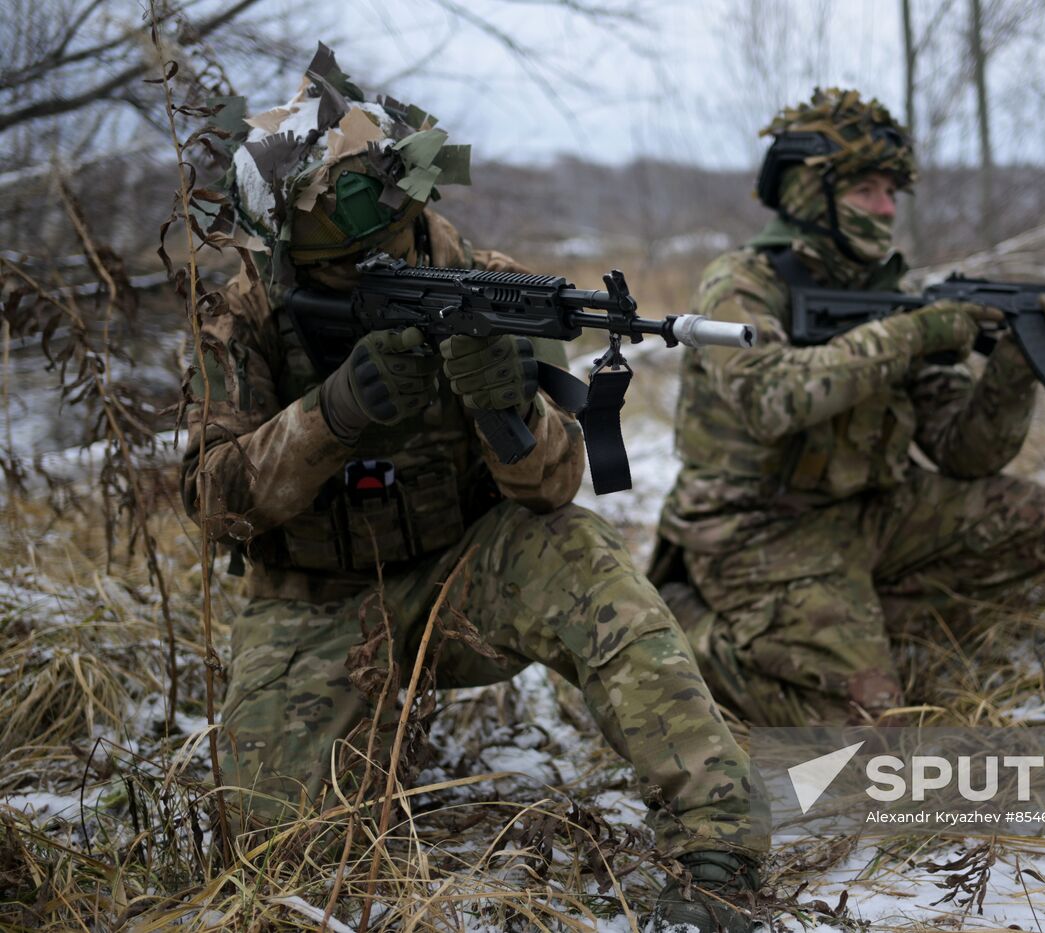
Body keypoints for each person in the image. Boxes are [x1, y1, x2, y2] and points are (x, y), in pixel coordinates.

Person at [181, 46, 764, 933]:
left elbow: (558, 488)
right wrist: (332, 415)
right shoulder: (247, 313)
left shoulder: (489, 286)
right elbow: (211, 501)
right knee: (279, 856)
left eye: (387, 247)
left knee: (588, 558)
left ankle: (718, 848)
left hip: (467, 576)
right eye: (344, 266)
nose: (372, 270)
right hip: (316, 603)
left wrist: (504, 411)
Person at [650, 87, 1045, 727]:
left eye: (893, 193)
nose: (886, 208)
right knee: (862, 722)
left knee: (1031, 520)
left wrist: (1013, 364)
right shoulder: (744, 281)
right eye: (866, 190)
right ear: (812, 193)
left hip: (867, 512)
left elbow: (963, 451)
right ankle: (685, 630)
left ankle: (849, 619)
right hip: (756, 528)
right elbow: (769, 398)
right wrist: (912, 334)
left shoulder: (890, 294)